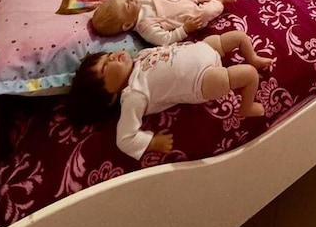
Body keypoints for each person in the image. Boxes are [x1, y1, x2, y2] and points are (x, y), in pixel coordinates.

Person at [67, 31, 272, 159]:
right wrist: (151, 142)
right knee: (248, 75)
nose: (111, 57)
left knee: (238, 36)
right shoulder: (133, 94)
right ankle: (247, 107)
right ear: (109, 96)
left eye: (106, 56)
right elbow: (125, 138)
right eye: (105, 68)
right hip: (201, 79)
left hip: (204, 49)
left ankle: (253, 57)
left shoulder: (139, 57)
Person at [91, 0, 236, 46]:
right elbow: (166, 39)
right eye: (127, 4)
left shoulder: (140, 1)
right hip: (188, 15)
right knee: (205, 13)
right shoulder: (145, 27)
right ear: (127, 24)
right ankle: (220, 2)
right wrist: (185, 29)